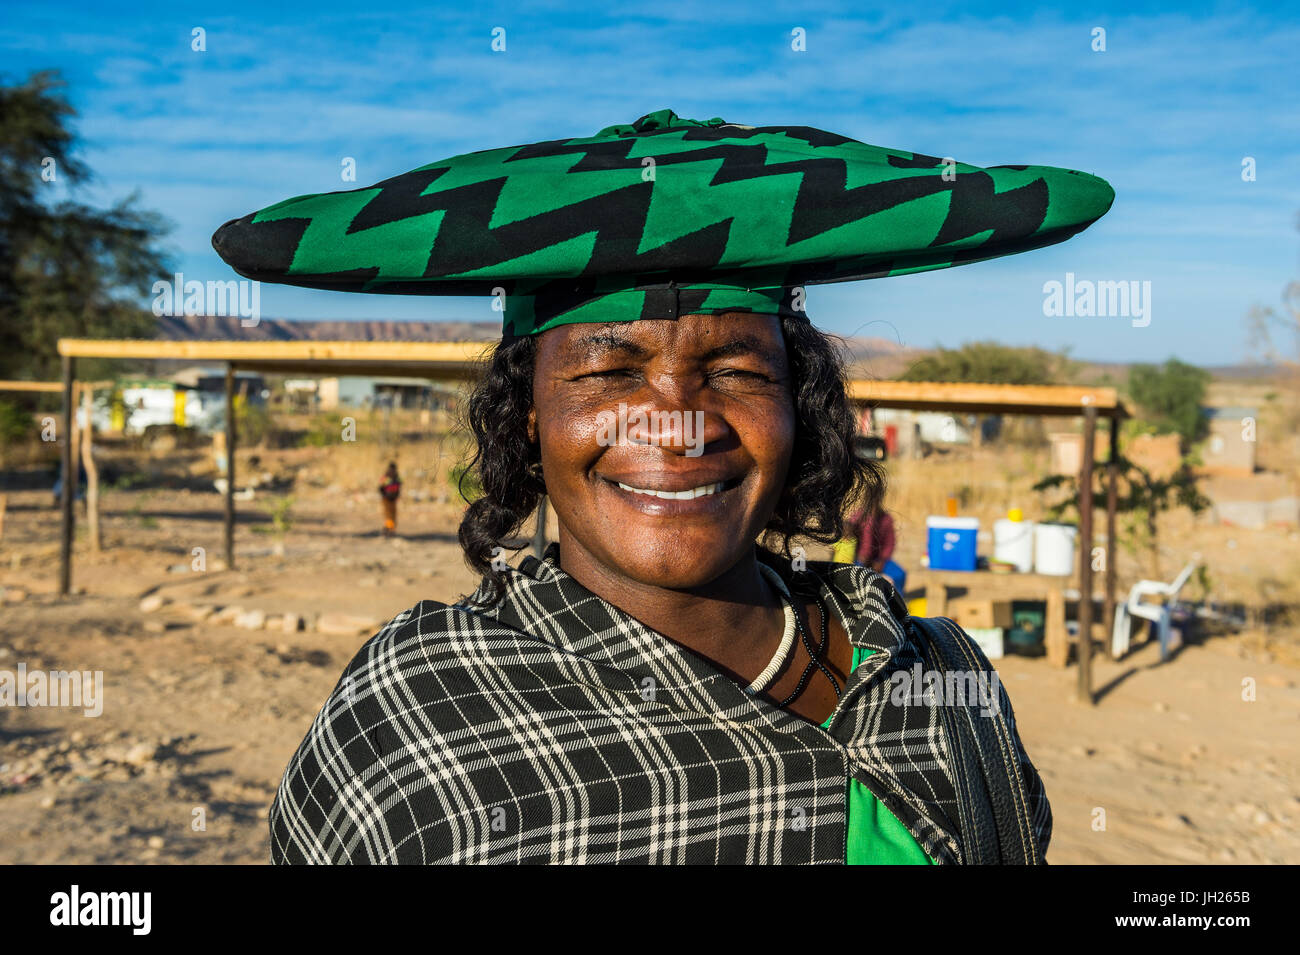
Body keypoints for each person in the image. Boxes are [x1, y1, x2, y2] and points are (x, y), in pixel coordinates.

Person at [214, 108, 1113, 864]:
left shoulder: (937, 677)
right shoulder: (415, 724)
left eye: (735, 371)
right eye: (609, 374)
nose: (678, 421)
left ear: (801, 407)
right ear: (527, 415)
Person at [847, 506, 906, 593]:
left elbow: (889, 544)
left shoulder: (886, 519)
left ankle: (897, 602)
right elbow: (849, 532)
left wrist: (882, 561)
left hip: (879, 559)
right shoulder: (859, 516)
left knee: (900, 574)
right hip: (859, 560)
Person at [378, 462, 401, 537]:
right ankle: (389, 529)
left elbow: (380, 487)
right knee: (391, 515)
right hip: (391, 498)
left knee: (389, 515)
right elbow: (399, 487)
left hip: (388, 498)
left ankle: (389, 529)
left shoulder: (387, 475)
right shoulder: (396, 476)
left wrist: (383, 494)